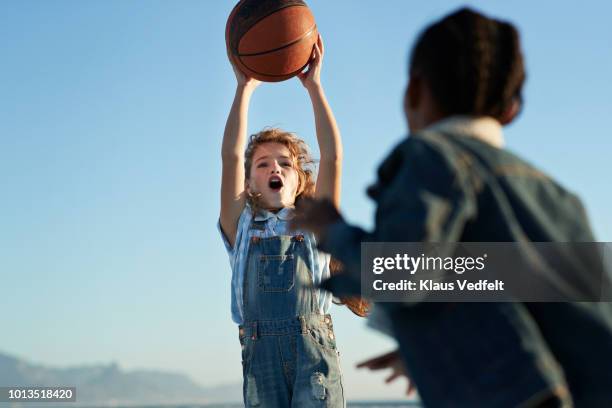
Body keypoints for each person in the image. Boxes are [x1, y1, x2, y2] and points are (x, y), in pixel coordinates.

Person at [291, 8, 612, 408]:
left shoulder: (433, 157)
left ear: (414, 92)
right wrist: (434, 344)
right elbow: (521, 293)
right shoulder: (556, 195)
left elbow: (406, 273)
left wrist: (333, 229)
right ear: (512, 108)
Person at [219, 36, 348, 407]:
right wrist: (244, 87)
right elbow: (230, 156)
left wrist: (315, 87)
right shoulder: (239, 226)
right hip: (262, 364)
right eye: (263, 163)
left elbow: (333, 157)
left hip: (315, 360)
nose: (275, 166)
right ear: (249, 184)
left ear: (299, 180)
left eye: (285, 163)